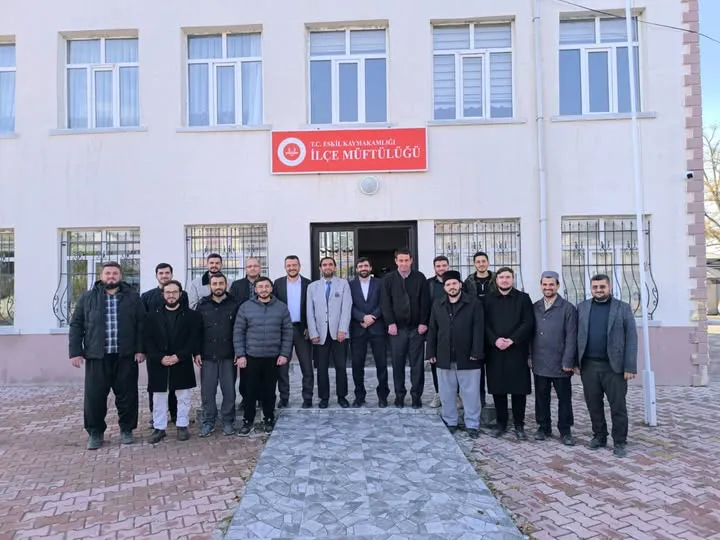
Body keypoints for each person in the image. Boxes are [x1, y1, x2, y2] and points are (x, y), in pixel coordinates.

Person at [69, 262, 145, 450]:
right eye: (108, 273)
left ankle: (127, 429)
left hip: (125, 356)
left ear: (121, 276)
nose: (111, 276)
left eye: (115, 273)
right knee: (94, 397)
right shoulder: (88, 298)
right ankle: (95, 433)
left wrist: (140, 349)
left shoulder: (133, 297)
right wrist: (75, 351)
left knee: (127, 396)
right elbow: (76, 325)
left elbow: (142, 325)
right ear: (101, 276)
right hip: (97, 356)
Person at [577, 274, 638, 458]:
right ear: (591, 288)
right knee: (593, 404)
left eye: (602, 287)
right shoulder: (582, 307)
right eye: (595, 287)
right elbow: (576, 335)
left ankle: (619, 441)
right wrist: (574, 362)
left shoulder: (623, 308)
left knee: (618, 406)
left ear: (609, 287)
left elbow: (632, 338)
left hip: (614, 368)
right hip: (589, 366)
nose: (598, 290)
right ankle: (599, 436)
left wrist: (630, 367)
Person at [427, 271, 484, 438]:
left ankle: (472, 424)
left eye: (454, 283)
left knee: (471, 393)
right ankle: (450, 421)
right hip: (444, 355)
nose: (451, 287)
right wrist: (431, 351)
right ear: (444, 287)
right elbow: (433, 329)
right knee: (446, 393)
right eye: (448, 284)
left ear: (460, 284)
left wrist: (477, 351)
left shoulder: (474, 303)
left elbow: (479, 328)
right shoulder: (438, 304)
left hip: (468, 356)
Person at [144, 280, 202, 444]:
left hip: (181, 361)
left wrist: (179, 356)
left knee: (183, 396)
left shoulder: (192, 316)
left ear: (180, 294)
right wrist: (160, 357)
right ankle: (159, 428)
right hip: (159, 363)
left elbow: (193, 339)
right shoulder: (151, 316)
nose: (171, 295)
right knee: (159, 397)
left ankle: (182, 425)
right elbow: (147, 340)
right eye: (168, 292)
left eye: (174, 292)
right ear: (163, 294)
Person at [233, 277, 293, 435]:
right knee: (249, 391)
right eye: (260, 287)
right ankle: (248, 420)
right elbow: (238, 332)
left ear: (271, 288)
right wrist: (240, 355)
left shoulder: (281, 307)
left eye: (267, 286)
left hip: (273, 357)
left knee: (269, 391)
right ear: (255, 289)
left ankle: (269, 419)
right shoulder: (245, 307)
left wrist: (284, 354)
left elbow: (287, 332)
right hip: (251, 356)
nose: (264, 289)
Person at [483, 267, 535, 440]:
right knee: (499, 389)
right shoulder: (487, 299)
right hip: (495, 350)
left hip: (517, 350)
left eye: (508, 277)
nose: (504, 280)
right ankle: (501, 423)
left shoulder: (523, 298)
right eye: (501, 277)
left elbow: (528, 322)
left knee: (518, 390)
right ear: (496, 280)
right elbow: (483, 323)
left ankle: (519, 425)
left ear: (513, 279)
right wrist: (495, 340)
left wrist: (512, 340)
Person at [530, 271, 578, 446]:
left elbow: (572, 337)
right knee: (541, 397)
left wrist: (568, 361)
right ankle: (543, 427)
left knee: (564, 399)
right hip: (540, 361)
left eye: (551, 284)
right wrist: (530, 357)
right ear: (541, 285)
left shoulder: (568, 308)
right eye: (545, 284)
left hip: (561, 363)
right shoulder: (534, 307)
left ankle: (565, 430)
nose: (548, 287)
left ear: (557, 286)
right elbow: (529, 334)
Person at [380, 248, 430, 409]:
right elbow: (385, 303)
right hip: (397, 330)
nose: (403, 263)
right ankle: (399, 396)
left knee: (417, 366)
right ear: (396, 261)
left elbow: (425, 301)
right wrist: (390, 323)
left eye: (406, 260)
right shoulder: (388, 279)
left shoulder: (420, 278)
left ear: (411, 260)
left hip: (416, 329)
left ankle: (416, 396)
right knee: (398, 364)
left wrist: (423, 322)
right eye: (400, 260)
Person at [140, 263, 189, 428]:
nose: (164, 275)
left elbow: (185, 320)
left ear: (171, 274)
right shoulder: (147, 296)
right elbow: (144, 325)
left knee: (177, 384)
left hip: (177, 348)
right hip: (156, 351)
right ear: (156, 276)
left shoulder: (183, 295)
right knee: (156, 386)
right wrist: (145, 350)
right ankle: (155, 418)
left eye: (167, 273)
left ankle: (175, 415)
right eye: (161, 273)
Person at [195, 273, 239, 437]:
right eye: (215, 284)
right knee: (208, 391)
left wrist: (239, 351)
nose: (218, 286)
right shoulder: (202, 305)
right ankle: (208, 421)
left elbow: (239, 329)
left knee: (229, 390)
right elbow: (196, 331)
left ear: (226, 285)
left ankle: (228, 420)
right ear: (210, 286)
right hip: (208, 355)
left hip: (229, 354)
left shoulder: (234, 304)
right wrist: (196, 352)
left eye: (221, 283)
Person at [307, 257, 353, 408]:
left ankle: (342, 396)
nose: (327, 267)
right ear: (320, 268)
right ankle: (324, 398)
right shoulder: (312, 287)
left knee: (341, 367)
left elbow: (346, 308)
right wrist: (313, 332)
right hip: (320, 334)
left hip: (339, 333)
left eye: (330, 265)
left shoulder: (343, 284)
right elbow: (309, 311)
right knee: (321, 368)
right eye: (324, 265)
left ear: (334, 267)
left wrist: (342, 329)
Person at [273, 256, 313, 408]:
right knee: (282, 367)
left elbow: (312, 307)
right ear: (285, 267)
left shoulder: (309, 284)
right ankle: (284, 398)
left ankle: (307, 398)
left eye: (294, 265)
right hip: (283, 329)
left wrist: (309, 326)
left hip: (302, 329)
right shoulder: (278, 284)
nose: (292, 268)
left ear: (299, 266)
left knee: (307, 366)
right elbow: (274, 306)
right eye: (289, 265)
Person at [349, 257, 389, 408]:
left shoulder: (380, 283)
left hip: (377, 327)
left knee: (381, 364)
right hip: (358, 328)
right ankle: (359, 396)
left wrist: (373, 317)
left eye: (366, 266)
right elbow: (348, 305)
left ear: (371, 268)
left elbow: (384, 302)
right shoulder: (350, 285)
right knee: (357, 365)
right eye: (360, 266)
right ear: (356, 269)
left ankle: (383, 396)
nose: (363, 268)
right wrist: (362, 317)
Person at [229, 257, 263, 407]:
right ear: (246, 269)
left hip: (262, 329)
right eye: (249, 266)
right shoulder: (237, 285)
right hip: (243, 329)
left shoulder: (266, 283)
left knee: (262, 366)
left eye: (255, 266)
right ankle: (246, 397)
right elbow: (232, 307)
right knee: (245, 367)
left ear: (260, 268)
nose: (252, 268)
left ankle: (262, 397)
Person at [463, 251, 493, 409]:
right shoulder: (468, 282)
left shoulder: (496, 280)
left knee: (494, 367)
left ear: (488, 262)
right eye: (478, 262)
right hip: (475, 327)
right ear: (474, 264)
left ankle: (496, 397)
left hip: (494, 325)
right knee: (477, 368)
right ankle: (479, 399)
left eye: (483, 261)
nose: (481, 264)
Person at [426, 255, 450, 408]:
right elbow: (424, 306)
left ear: (448, 266)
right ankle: (438, 394)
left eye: (444, 265)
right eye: (438, 266)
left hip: (455, 329)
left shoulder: (456, 282)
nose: (441, 268)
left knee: (454, 364)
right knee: (435, 362)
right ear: (434, 268)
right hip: (435, 329)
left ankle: (455, 395)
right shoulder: (429, 284)